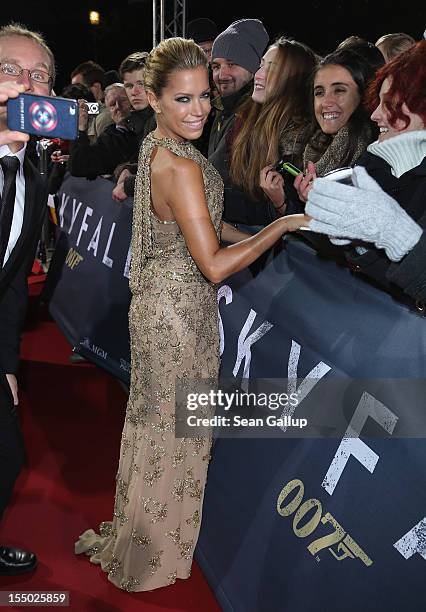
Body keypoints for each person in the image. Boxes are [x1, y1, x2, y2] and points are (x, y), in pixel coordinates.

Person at [75, 37, 307, 591]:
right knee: (173, 434)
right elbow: (214, 264)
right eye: (183, 99)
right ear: (153, 99)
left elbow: (200, 224)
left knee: (154, 428)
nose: (199, 109)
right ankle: (151, 559)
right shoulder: (178, 164)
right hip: (179, 317)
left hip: (158, 310)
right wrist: (280, 227)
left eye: (204, 96)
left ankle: (140, 539)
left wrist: (251, 232)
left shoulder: (158, 147)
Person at [305, 41, 426, 303]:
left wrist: (398, 235)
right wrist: (357, 243)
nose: (375, 115)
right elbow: (385, 278)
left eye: (390, 103)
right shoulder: (375, 162)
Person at [0, 22, 54, 575]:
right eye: (8, 69)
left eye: (37, 74)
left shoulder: (34, 171)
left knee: (7, 457)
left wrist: (6, 360)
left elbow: (13, 278)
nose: (23, 82)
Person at [219, 37, 317, 225]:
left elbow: (301, 224)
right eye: (261, 65)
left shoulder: (303, 139)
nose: (259, 74)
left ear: (293, 79)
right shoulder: (247, 122)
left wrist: (280, 203)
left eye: (271, 69)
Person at [289, 47, 377, 211]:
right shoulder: (311, 146)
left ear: (363, 96)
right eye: (319, 92)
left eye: (339, 90)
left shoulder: (371, 161)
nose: (326, 102)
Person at [208, 19, 269, 156]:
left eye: (232, 64)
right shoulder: (221, 111)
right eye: (216, 67)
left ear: (253, 68)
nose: (222, 75)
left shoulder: (255, 116)